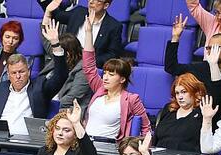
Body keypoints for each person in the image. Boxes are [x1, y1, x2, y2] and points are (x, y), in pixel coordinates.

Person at [0, 22, 68, 136]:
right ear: (8, 75)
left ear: (29, 72)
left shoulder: (40, 87)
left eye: (22, 72)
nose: (18, 76)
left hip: (26, 144)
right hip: (0, 142)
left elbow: (61, 76)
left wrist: (55, 44)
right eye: (14, 73)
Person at [166, 15, 221, 125]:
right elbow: (171, 67)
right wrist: (175, 38)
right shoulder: (201, 68)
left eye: (217, 48)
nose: (212, 51)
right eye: (209, 48)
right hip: (197, 120)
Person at [82, 10, 151, 142]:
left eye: (111, 74)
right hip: (86, 144)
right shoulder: (100, 88)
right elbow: (89, 67)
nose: (105, 77)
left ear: (122, 79)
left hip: (108, 149)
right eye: (105, 73)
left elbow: (146, 127)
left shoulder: (131, 99)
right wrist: (89, 33)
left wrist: (138, 150)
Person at [40, 0, 122, 67]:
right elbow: (57, 16)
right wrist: (46, 3)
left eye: (97, 1)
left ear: (106, 5)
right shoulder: (79, 12)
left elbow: (112, 55)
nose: (91, 2)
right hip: (66, 61)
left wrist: (88, 61)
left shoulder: (113, 26)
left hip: (88, 68)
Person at [152, 73, 207, 152]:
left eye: (184, 92)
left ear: (195, 92)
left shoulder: (202, 113)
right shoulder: (169, 109)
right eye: (177, 93)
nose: (180, 97)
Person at [40, 32, 93, 112]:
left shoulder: (84, 69)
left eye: (58, 50)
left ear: (67, 54)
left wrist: (47, 103)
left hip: (66, 108)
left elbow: (73, 96)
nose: (55, 53)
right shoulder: (58, 60)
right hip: (45, 101)